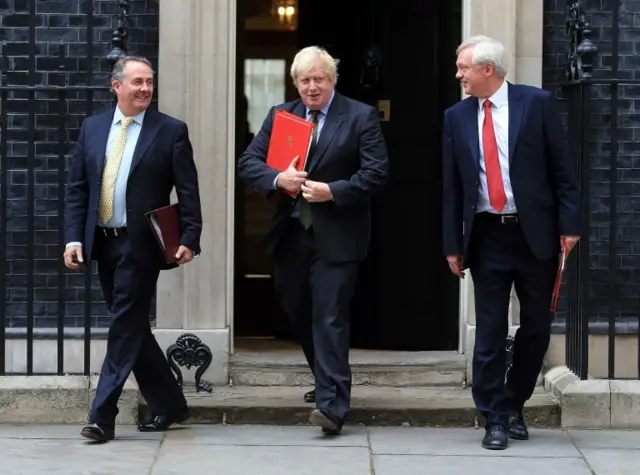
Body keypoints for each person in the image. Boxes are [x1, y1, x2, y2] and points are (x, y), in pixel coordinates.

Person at [237, 46, 389, 435]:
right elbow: (248, 163)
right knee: (298, 310)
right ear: (296, 83)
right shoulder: (281, 115)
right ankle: (326, 380)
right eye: (304, 80)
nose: (311, 87)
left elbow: (376, 174)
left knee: (330, 315)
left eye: (318, 79)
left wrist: (333, 191)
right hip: (291, 234)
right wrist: (277, 178)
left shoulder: (359, 116)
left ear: (332, 80)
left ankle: (332, 406)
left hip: (337, 236)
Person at [442, 36, 581, 450]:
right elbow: (451, 186)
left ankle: (514, 403)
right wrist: (453, 243)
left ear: (488, 69)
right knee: (489, 329)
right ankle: (494, 417)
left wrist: (569, 225)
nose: (458, 75)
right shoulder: (456, 116)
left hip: (534, 233)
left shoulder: (535, 104)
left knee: (536, 328)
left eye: (463, 67)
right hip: (486, 235)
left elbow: (563, 170)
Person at [64, 56, 202, 442]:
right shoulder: (93, 128)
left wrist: (190, 237)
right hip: (102, 243)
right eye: (138, 82)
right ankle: (171, 405)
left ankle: (101, 415)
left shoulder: (170, 131)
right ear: (117, 86)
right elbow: (77, 189)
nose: (145, 89)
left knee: (123, 326)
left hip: (140, 244)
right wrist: (74, 238)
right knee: (134, 326)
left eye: (149, 82)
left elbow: (187, 191)